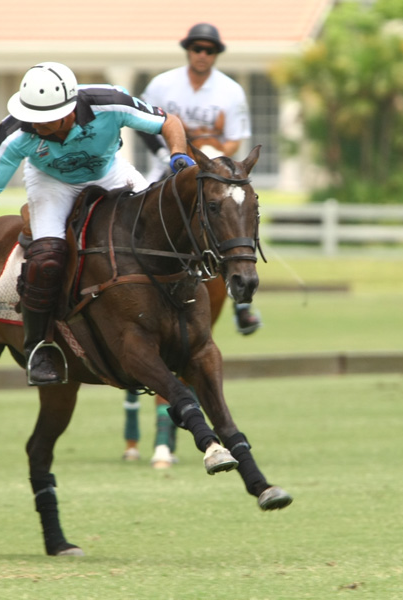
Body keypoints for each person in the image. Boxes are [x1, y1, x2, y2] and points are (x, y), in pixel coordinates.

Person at [0, 61, 194, 385]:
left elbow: (168, 122)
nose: (35, 125)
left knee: (158, 231)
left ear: (68, 109)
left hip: (109, 172)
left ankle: (183, 314)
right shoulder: (16, 132)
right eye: (31, 117)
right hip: (51, 183)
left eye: (43, 119)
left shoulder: (110, 103)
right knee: (45, 260)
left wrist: (178, 154)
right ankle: (39, 348)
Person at [123, 23, 262, 466]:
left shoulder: (230, 91)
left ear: (216, 54)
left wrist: (213, 160)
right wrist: (176, 153)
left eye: (209, 50)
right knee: (131, 214)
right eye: (196, 48)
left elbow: (236, 139)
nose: (202, 55)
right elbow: (148, 126)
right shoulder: (162, 83)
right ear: (188, 51)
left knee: (237, 219)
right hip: (171, 168)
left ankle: (242, 301)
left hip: (215, 171)